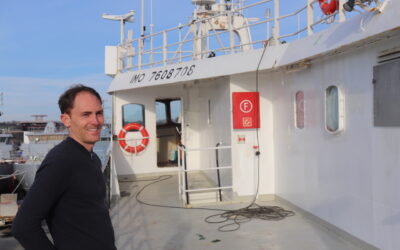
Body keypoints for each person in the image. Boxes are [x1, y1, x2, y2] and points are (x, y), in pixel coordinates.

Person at [12, 84, 117, 250]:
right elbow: (23, 226)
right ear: (66, 120)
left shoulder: (93, 158)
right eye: (86, 114)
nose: (95, 121)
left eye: (99, 113)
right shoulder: (60, 161)